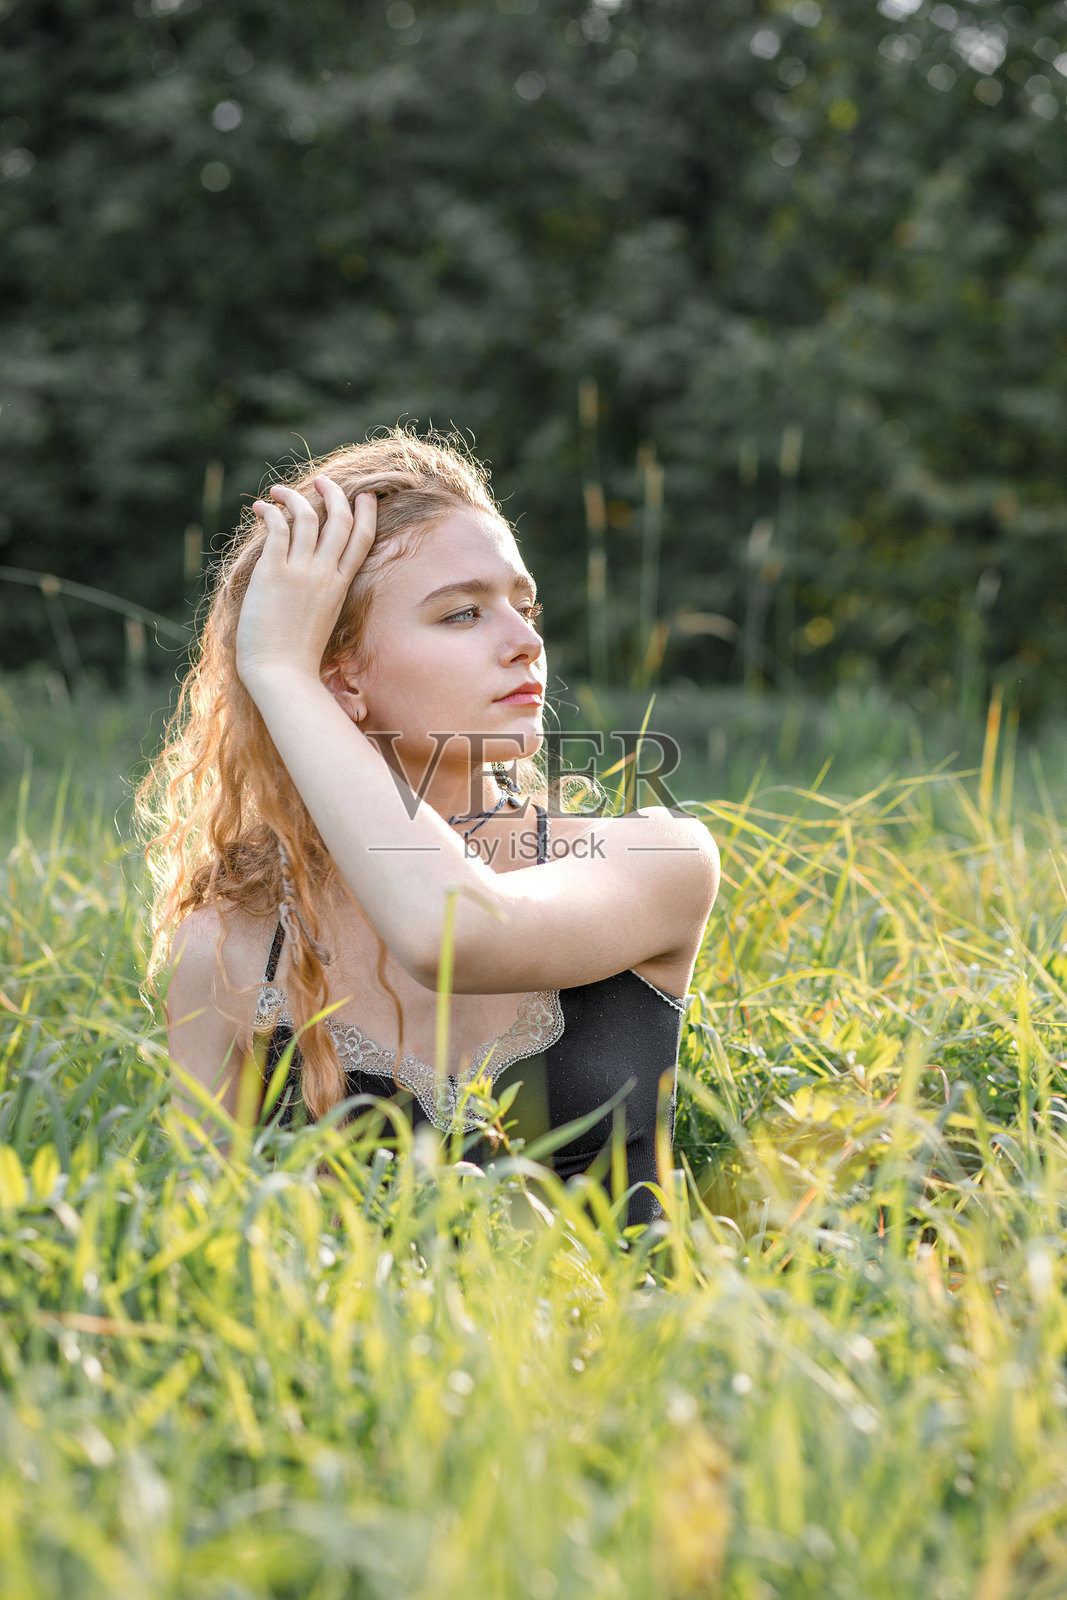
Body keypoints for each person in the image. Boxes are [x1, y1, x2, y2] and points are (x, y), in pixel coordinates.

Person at [137, 430, 719, 1225]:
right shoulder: (229, 946)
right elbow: (208, 1258)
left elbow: (453, 935)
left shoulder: (654, 856)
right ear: (340, 677)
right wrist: (281, 669)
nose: (526, 643)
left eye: (525, 604)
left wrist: (277, 672)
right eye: (463, 614)